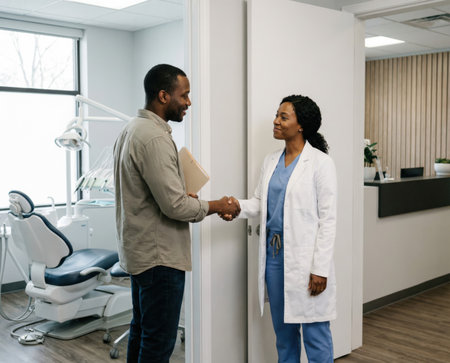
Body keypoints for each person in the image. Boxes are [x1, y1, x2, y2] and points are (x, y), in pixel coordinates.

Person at [113, 64, 240, 363]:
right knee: (158, 343)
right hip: (160, 259)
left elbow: (153, 195)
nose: (188, 102)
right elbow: (175, 207)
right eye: (184, 95)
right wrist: (218, 205)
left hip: (141, 254)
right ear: (162, 95)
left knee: (142, 330)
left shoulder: (133, 128)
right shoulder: (154, 138)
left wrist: (181, 195)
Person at [223, 95, 337, 363]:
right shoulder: (271, 161)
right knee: (283, 335)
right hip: (274, 259)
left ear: (301, 125)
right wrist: (233, 206)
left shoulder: (321, 164)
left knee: (315, 334)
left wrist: (320, 268)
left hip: (306, 260)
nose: (275, 121)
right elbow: (261, 203)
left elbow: (328, 219)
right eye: (277, 115)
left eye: (283, 117)